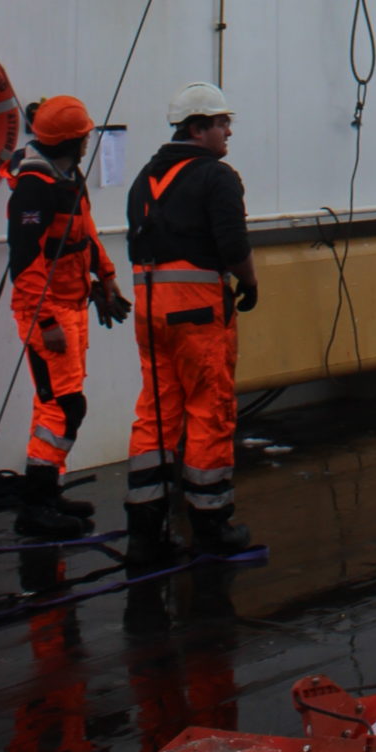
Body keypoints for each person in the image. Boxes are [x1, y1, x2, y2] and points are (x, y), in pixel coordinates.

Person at [124, 81, 260, 568]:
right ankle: (211, 526)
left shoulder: (144, 178)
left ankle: (144, 533)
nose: (228, 132)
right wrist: (249, 282)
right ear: (197, 129)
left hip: (149, 313)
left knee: (156, 415)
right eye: (222, 123)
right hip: (198, 316)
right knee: (210, 411)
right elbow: (232, 243)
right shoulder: (216, 177)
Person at [7, 94, 130, 541]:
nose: (86, 146)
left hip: (72, 303)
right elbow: (25, 261)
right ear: (70, 141)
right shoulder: (34, 187)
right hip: (46, 311)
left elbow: (84, 230)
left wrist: (106, 277)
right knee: (59, 407)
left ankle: (48, 494)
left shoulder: (66, 176)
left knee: (67, 404)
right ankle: (36, 506)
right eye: (82, 138)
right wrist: (45, 323)